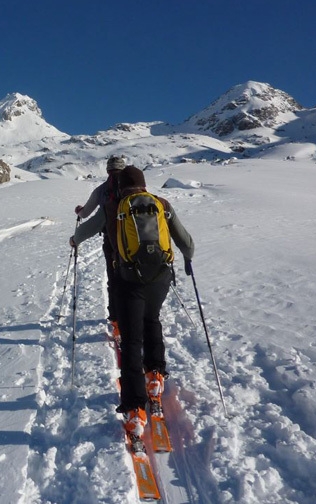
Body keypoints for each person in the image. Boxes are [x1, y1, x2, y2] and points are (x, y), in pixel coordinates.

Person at [104, 165, 195, 439]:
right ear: (143, 184)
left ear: (120, 186)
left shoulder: (117, 207)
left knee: (131, 340)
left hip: (129, 280)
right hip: (160, 277)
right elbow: (187, 243)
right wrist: (187, 258)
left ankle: (135, 408)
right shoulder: (161, 204)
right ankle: (155, 374)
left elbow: (108, 239)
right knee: (152, 319)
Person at [68, 155, 126, 329]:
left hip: (113, 242)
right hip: (139, 241)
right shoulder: (139, 189)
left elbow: (86, 214)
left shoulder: (102, 190)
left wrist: (76, 237)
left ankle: (116, 318)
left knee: (115, 279)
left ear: (108, 170)